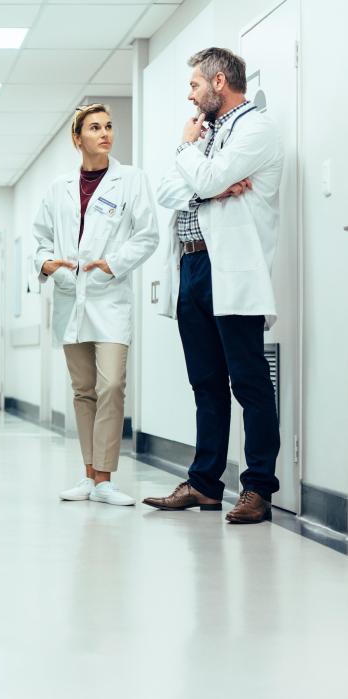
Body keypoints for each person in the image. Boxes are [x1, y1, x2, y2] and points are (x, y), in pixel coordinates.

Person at [143, 47, 283, 524]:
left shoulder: (257, 129)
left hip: (233, 270)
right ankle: (204, 484)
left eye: (194, 85)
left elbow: (207, 176)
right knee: (205, 382)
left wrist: (194, 162)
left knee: (248, 382)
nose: (191, 94)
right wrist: (206, 182)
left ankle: (258, 489)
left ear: (219, 81)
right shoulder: (207, 133)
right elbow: (167, 190)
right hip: (193, 270)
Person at [33, 104, 160, 506]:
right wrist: (47, 263)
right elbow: (40, 239)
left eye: (108, 126)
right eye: (94, 127)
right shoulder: (59, 188)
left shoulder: (131, 180)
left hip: (110, 297)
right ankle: (88, 475)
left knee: (111, 384)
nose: (105, 133)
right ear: (77, 138)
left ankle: (105, 478)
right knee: (83, 390)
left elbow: (148, 234)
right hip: (71, 298)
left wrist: (115, 264)